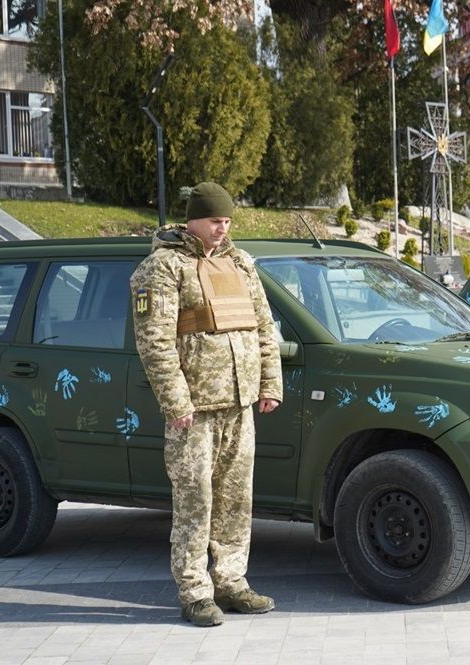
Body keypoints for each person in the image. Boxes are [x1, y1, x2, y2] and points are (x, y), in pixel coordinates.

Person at [131, 182, 283, 627]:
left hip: (239, 403)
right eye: (216, 220)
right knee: (195, 500)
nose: (223, 228)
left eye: (228, 221)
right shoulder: (163, 267)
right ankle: (195, 592)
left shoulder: (240, 263)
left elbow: (263, 326)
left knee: (235, 499)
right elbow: (155, 342)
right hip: (194, 411)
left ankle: (231, 582)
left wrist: (269, 384)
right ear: (193, 219)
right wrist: (176, 401)